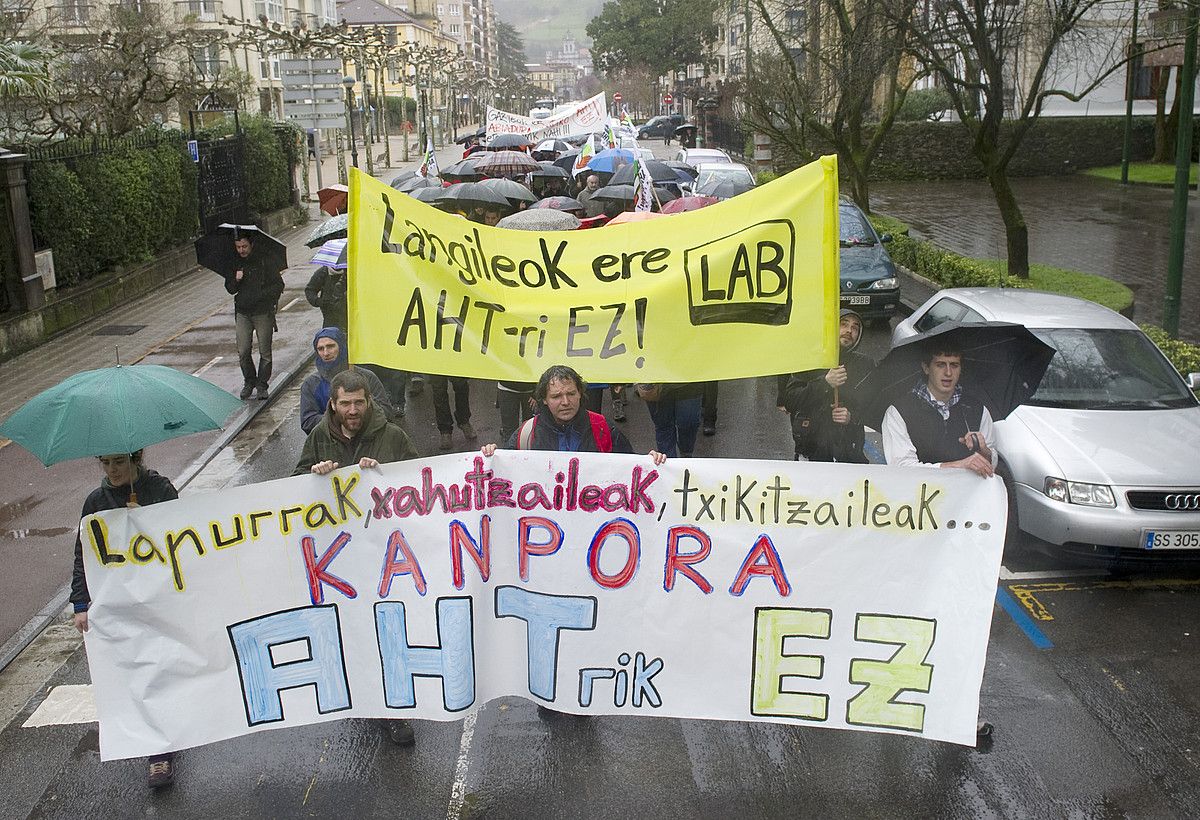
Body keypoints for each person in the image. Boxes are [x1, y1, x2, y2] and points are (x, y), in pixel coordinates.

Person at [293, 369, 421, 746]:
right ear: (333, 404)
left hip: (385, 555)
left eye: (359, 402)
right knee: (355, 632)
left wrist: (384, 474)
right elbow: (293, 485)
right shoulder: (320, 437)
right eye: (345, 403)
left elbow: (421, 483)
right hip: (340, 559)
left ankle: (394, 710)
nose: (352, 410)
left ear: (369, 402)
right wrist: (314, 475)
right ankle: (369, 698)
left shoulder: (392, 436)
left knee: (389, 629)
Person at [71, 450, 180, 788]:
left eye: (119, 462)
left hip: (158, 598)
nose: (113, 470)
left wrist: (146, 520)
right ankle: (155, 747)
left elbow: (183, 538)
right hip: (119, 603)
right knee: (136, 672)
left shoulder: (160, 490)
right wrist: (80, 602)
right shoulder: (96, 502)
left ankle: (165, 744)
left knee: (160, 670)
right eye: (106, 464)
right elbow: (83, 553)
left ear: (136, 460)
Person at [306, 264, 408, 415]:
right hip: (336, 324)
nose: (325, 352)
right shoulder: (324, 273)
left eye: (328, 348)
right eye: (321, 349)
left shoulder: (363, 271)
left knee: (383, 365)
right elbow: (310, 290)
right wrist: (322, 301)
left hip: (364, 325)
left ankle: (392, 399)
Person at [882, 346, 996, 478]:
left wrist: (985, 451)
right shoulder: (899, 411)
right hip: (919, 495)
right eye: (940, 365)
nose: (948, 373)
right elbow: (902, 467)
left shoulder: (977, 409)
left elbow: (991, 464)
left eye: (954, 365)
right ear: (926, 368)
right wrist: (959, 465)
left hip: (967, 495)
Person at [784, 309, 875, 462]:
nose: (849, 331)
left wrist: (851, 417)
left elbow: (872, 406)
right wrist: (824, 383)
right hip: (812, 452)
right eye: (844, 324)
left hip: (849, 454)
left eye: (855, 327)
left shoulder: (865, 365)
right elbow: (791, 400)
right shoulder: (810, 360)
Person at [299, 328, 399, 434]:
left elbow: (387, 412)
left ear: (341, 346)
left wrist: (359, 416)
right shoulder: (311, 384)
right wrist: (342, 419)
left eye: (330, 346)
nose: (326, 353)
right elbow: (308, 422)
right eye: (320, 349)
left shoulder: (367, 377)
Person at [225, 230, 285, 401]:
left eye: (244, 246)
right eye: (238, 247)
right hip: (243, 313)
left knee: (265, 352)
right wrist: (236, 279)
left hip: (262, 312)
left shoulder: (265, 261)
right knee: (243, 350)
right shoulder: (235, 263)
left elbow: (279, 285)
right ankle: (249, 381)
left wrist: (261, 295)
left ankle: (262, 385)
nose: (241, 250)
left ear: (251, 245)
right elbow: (230, 289)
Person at [635, 382, 704, 458]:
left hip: (689, 380)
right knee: (664, 427)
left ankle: (686, 456)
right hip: (655, 382)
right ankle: (669, 464)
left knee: (689, 423)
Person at [431, 374, 477, 451]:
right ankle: (445, 431)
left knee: (461, 385)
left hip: (456, 361)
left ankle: (464, 421)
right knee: (439, 390)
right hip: (435, 362)